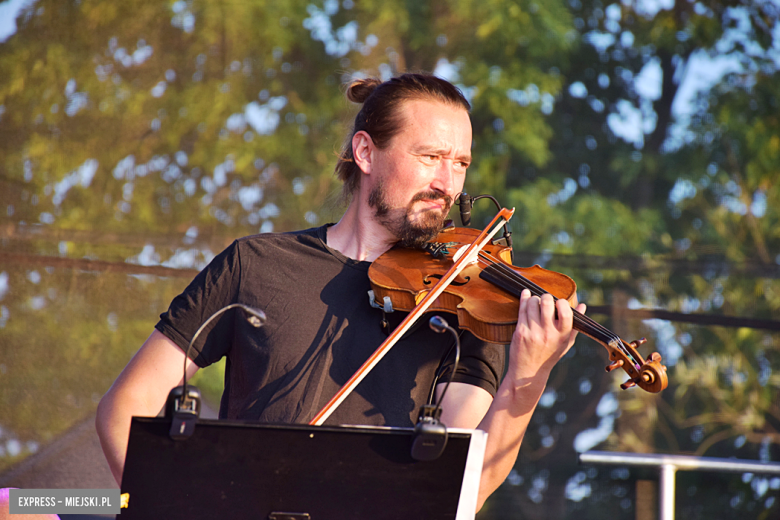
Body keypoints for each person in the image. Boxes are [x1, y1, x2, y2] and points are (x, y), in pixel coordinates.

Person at [95, 73, 585, 511]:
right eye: (430, 157)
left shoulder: (465, 303)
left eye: (460, 163)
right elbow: (126, 407)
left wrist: (528, 378)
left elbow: (464, 487)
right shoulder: (256, 265)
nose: (448, 184)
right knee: (19, 507)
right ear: (365, 152)